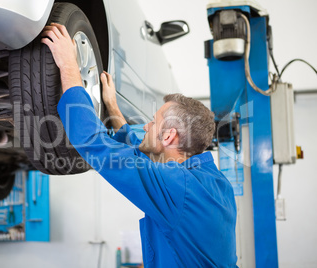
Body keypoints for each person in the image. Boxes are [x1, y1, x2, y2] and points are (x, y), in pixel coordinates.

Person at [41, 23, 237, 268]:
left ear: (169, 137)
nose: (145, 126)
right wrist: (112, 107)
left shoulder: (179, 187)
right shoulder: (215, 183)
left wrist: (68, 65)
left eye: (153, 122)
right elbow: (138, 151)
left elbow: (94, 142)